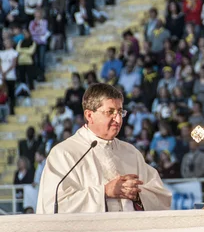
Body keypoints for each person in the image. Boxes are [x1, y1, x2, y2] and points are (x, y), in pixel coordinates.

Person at [36, 83, 171, 213]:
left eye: (120, 112)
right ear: (89, 115)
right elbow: (53, 206)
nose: (118, 120)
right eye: (110, 112)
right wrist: (105, 192)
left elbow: (161, 196)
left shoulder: (130, 152)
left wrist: (137, 195)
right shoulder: (64, 153)